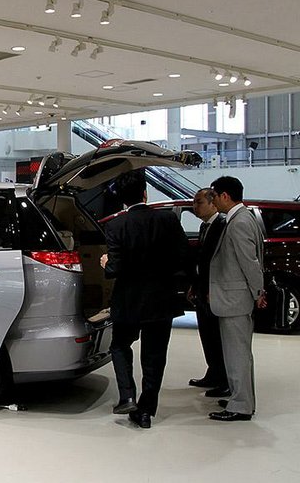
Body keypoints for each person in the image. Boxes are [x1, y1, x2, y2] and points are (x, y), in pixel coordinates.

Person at [100, 170, 188, 429]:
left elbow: (114, 268)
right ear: (145, 193)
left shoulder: (115, 225)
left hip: (128, 299)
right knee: (155, 355)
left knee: (119, 345)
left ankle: (127, 395)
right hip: (162, 300)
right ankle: (147, 410)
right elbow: (183, 256)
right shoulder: (168, 220)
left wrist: (106, 263)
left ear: (123, 201)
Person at [207, 176, 266, 422]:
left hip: (236, 299)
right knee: (237, 353)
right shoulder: (241, 218)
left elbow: (250, 262)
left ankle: (241, 405)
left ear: (225, 196)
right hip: (233, 298)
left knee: (237, 354)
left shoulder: (239, 221)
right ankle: (240, 397)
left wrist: (258, 292)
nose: (213, 201)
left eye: (214, 196)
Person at [187, 188, 229, 396]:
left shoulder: (222, 226)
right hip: (202, 290)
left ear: (213, 203)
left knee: (218, 337)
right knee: (207, 335)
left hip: (214, 291)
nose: (195, 206)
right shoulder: (205, 227)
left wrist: (213, 288)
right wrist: (195, 286)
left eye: (199, 202)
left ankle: (224, 379)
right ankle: (213, 373)